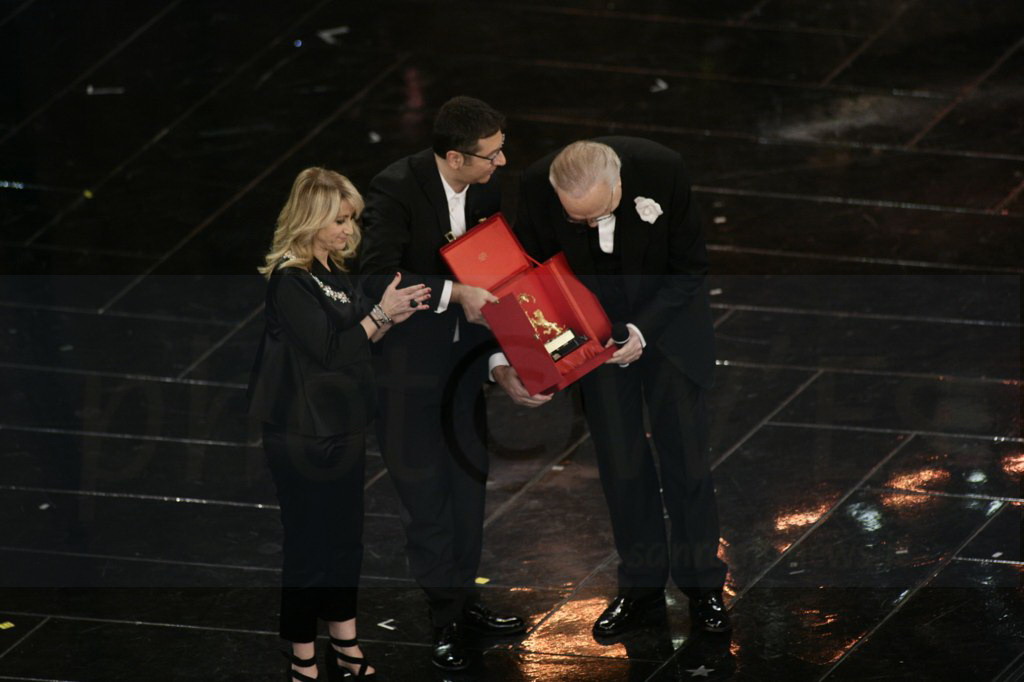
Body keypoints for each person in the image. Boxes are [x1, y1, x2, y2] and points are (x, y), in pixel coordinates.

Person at [496, 137, 731, 639]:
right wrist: (528, 358)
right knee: (621, 466)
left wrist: (641, 331)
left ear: (620, 183)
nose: (587, 225)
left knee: (687, 461)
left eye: (597, 214)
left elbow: (689, 269)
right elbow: (526, 279)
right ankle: (641, 588)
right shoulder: (536, 185)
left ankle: (704, 587)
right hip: (590, 339)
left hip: (668, 332)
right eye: (575, 219)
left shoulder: (664, 169)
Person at [357, 96, 526, 671]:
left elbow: (495, 275)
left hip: (463, 368)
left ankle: (466, 602)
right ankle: (444, 617)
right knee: (426, 499)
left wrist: (498, 356)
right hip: (407, 372)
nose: (502, 162)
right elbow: (377, 277)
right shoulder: (395, 189)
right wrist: (455, 295)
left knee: (468, 489)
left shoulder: (484, 189)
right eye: (491, 155)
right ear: (455, 157)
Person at [248, 167, 431, 681]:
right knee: (309, 544)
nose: (349, 230)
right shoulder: (290, 280)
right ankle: (302, 657)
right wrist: (380, 316)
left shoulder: (331, 272)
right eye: (339, 220)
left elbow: (354, 339)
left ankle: (347, 645)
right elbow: (329, 351)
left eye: (352, 219)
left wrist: (390, 317)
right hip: (301, 433)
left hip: (341, 425)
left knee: (346, 540)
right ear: (310, 220)